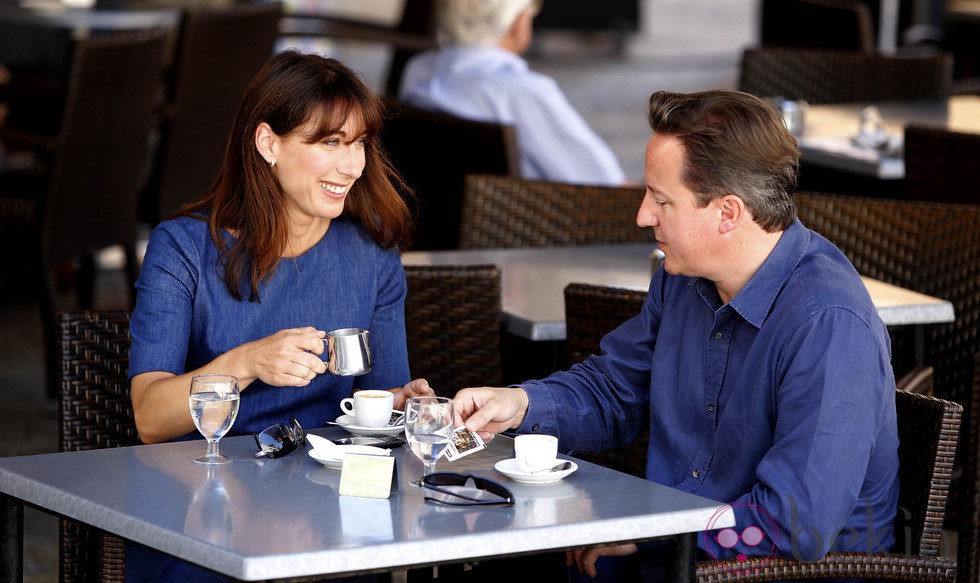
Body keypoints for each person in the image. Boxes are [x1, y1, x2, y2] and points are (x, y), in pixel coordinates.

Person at [453, 89, 899, 580]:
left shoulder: (828, 324)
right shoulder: (684, 276)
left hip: (769, 571)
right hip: (673, 555)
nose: (643, 215)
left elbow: (795, 523)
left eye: (661, 200)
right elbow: (617, 389)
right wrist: (519, 404)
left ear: (728, 213)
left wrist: (656, 531)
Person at [127, 51, 433, 581]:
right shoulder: (183, 248)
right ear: (268, 143)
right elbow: (150, 419)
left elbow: (383, 403)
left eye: (359, 143)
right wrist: (247, 362)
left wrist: (405, 408)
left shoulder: (372, 254)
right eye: (330, 143)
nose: (352, 165)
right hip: (205, 515)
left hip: (332, 512)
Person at [398, 0, 627, 186]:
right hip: (531, 231)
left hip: (435, 221)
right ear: (517, 22)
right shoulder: (524, 92)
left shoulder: (418, 71)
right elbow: (604, 182)